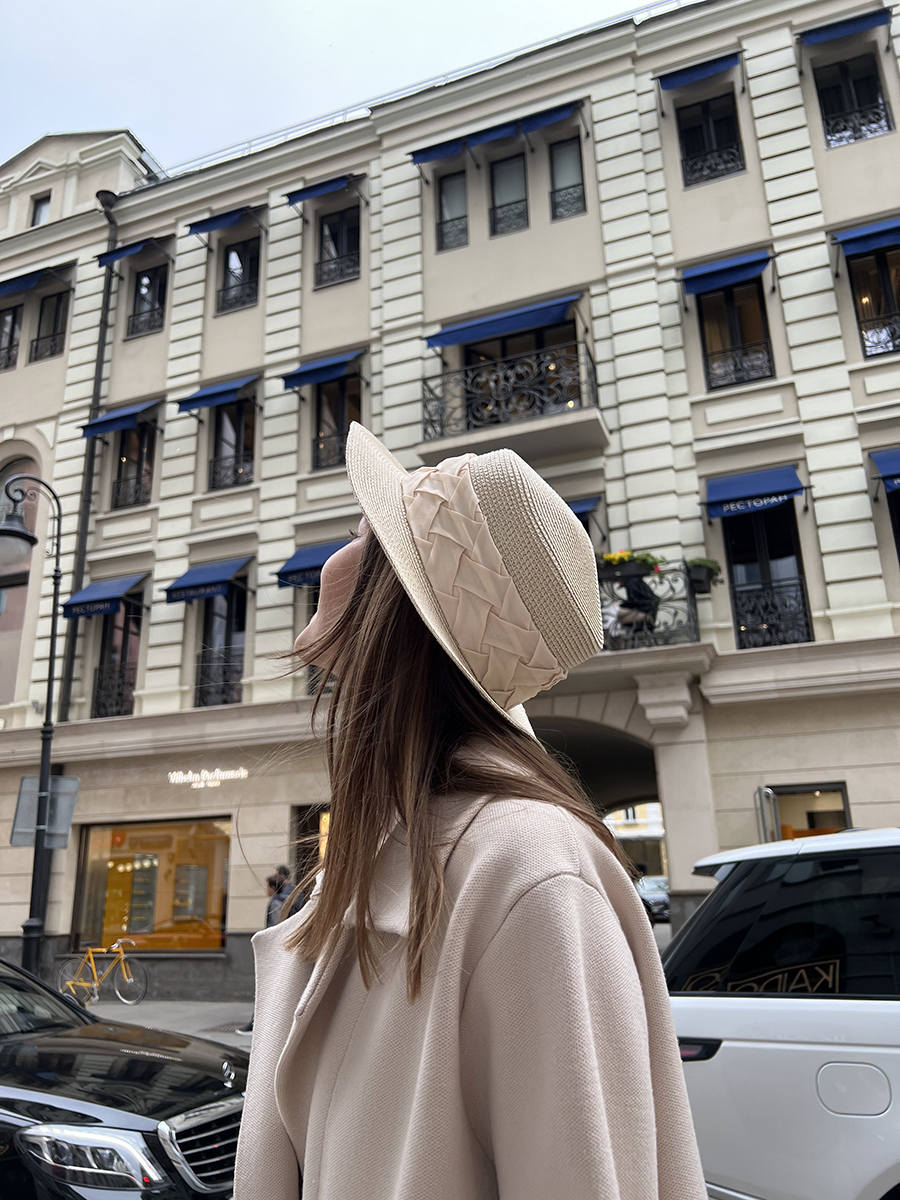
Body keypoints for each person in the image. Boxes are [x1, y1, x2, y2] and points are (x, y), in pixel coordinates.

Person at [234, 424, 706, 1200]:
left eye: (362, 532)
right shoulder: (415, 848)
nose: (330, 559)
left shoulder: (530, 873)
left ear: (393, 604)